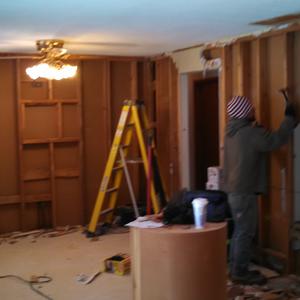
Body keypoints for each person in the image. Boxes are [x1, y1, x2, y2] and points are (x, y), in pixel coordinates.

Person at [223, 94, 298, 285]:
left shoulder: (231, 131)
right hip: (244, 192)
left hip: (234, 191)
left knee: (240, 231)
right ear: (244, 112)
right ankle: (240, 272)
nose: (254, 110)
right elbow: (275, 140)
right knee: (245, 232)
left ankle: (235, 268)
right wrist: (289, 119)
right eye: (251, 108)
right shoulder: (249, 133)